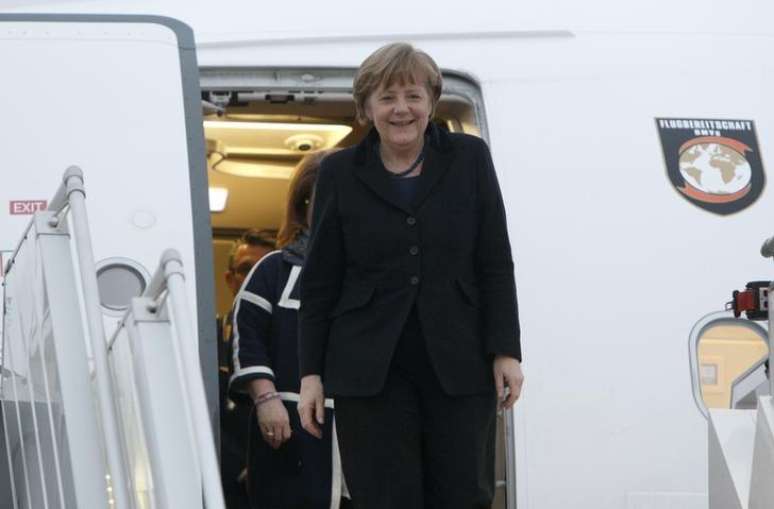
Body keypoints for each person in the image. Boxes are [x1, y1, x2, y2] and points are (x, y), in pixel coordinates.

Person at [297, 42, 524, 509]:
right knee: (383, 497)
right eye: (386, 97)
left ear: (431, 102)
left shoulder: (469, 158)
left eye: (413, 95)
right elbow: (320, 280)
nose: (401, 109)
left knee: (463, 494)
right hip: (369, 370)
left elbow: (494, 261)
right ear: (366, 108)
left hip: (459, 364)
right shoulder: (339, 172)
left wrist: (506, 350)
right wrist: (310, 374)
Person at [228, 151, 350, 509]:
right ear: (304, 204)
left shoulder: (375, 274)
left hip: (359, 436)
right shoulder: (274, 269)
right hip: (291, 435)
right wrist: (267, 400)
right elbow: (245, 334)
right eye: (324, 197)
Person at [219, 228, 276, 509]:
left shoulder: (294, 342)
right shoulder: (209, 337)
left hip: (283, 477)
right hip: (224, 482)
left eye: (262, 269)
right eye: (245, 269)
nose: (254, 278)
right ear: (230, 279)